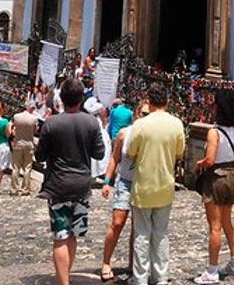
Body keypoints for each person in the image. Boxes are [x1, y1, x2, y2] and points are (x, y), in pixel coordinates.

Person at [35, 76, 105, 285]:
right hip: (81, 186)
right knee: (73, 234)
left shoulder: (51, 123)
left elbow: (40, 156)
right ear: (81, 98)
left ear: (62, 99)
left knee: (60, 235)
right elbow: (99, 154)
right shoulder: (91, 122)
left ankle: (63, 281)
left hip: (58, 185)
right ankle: (66, 275)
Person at [126, 81, 185, 285]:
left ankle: (140, 278)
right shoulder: (176, 124)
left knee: (142, 235)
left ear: (149, 103)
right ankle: (160, 277)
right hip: (165, 187)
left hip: (143, 187)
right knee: (161, 234)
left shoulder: (140, 125)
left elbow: (130, 152)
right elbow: (179, 153)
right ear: (167, 102)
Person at [193, 89, 234, 284]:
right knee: (227, 222)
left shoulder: (214, 132)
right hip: (231, 177)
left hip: (215, 179)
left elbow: (211, 159)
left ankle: (212, 270)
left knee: (214, 227)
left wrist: (200, 163)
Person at [100, 100, 149, 283]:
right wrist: (107, 181)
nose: (146, 118)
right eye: (143, 114)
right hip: (125, 182)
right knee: (118, 221)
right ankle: (106, 262)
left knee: (138, 227)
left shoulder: (151, 135)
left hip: (143, 184)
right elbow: (114, 158)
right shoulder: (124, 134)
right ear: (136, 114)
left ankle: (132, 263)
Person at [10, 99, 38, 195]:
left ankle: (14, 188)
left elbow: (12, 127)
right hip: (29, 144)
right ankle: (25, 189)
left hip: (18, 143)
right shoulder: (34, 119)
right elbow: (35, 131)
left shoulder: (16, 117)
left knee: (15, 167)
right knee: (27, 167)